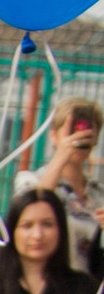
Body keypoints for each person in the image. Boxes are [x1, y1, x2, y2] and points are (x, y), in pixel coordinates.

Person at [24, 96, 101, 269]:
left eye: (88, 128)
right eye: (72, 128)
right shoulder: (31, 181)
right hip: (48, 279)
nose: (80, 134)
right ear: (53, 135)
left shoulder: (99, 193)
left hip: (89, 282)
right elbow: (32, 210)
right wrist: (62, 154)